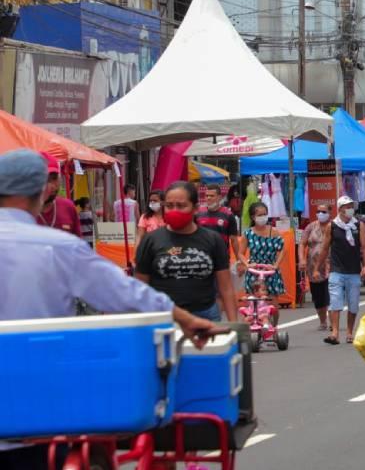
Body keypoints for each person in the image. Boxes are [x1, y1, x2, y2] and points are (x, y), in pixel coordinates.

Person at [0, 150, 215, 469]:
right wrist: (185, 319)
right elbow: (125, 294)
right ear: (41, 190)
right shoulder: (57, 247)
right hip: (38, 419)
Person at [134, 181, 239, 322]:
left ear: (195, 208)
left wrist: (235, 327)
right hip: (164, 317)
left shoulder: (213, 240)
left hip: (206, 316)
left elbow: (226, 288)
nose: (174, 210)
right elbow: (141, 288)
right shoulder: (151, 241)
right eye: (169, 206)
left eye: (181, 206)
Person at [319, 196, 365, 345]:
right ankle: (335, 332)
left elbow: (364, 247)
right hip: (337, 269)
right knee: (335, 301)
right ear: (340, 209)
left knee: (353, 303)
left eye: (351, 206)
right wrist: (318, 267)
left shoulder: (359, 225)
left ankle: (349, 332)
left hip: (354, 270)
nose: (350, 209)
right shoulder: (332, 226)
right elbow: (324, 248)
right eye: (347, 206)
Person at [242, 201, 286, 318]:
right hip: (254, 271)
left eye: (265, 214)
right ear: (253, 217)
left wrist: (276, 265)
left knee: (274, 305)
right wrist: (247, 264)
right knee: (253, 302)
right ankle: (253, 323)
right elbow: (240, 253)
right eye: (259, 215)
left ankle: (274, 328)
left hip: (270, 270)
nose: (263, 217)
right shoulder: (248, 233)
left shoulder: (274, 232)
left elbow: (282, 249)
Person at [196, 183, 244, 272]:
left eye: (212, 196)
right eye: (206, 196)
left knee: (221, 285)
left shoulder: (228, 215)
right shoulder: (199, 213)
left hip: (221, 259)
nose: (208, 198)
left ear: (219, 197)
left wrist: (239, 261)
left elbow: (234, 240)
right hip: (202, 257)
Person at [300, 204, 332, 331]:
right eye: (318, 211)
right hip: (313, 268)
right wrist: (302, 259)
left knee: (330, 294)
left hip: (331, 265)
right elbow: (302, 243)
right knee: (318, 296)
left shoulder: (334, 226)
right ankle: (322, 321)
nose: (320, 213)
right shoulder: (311, 226)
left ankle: (332, 321)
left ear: (330, 212)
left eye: (324, 211)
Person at [36, 153, 81, 237]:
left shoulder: (68, 207)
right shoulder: (23, 212)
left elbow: (78, 246)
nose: (51, 185)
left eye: (54, 178)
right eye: (45, 179)